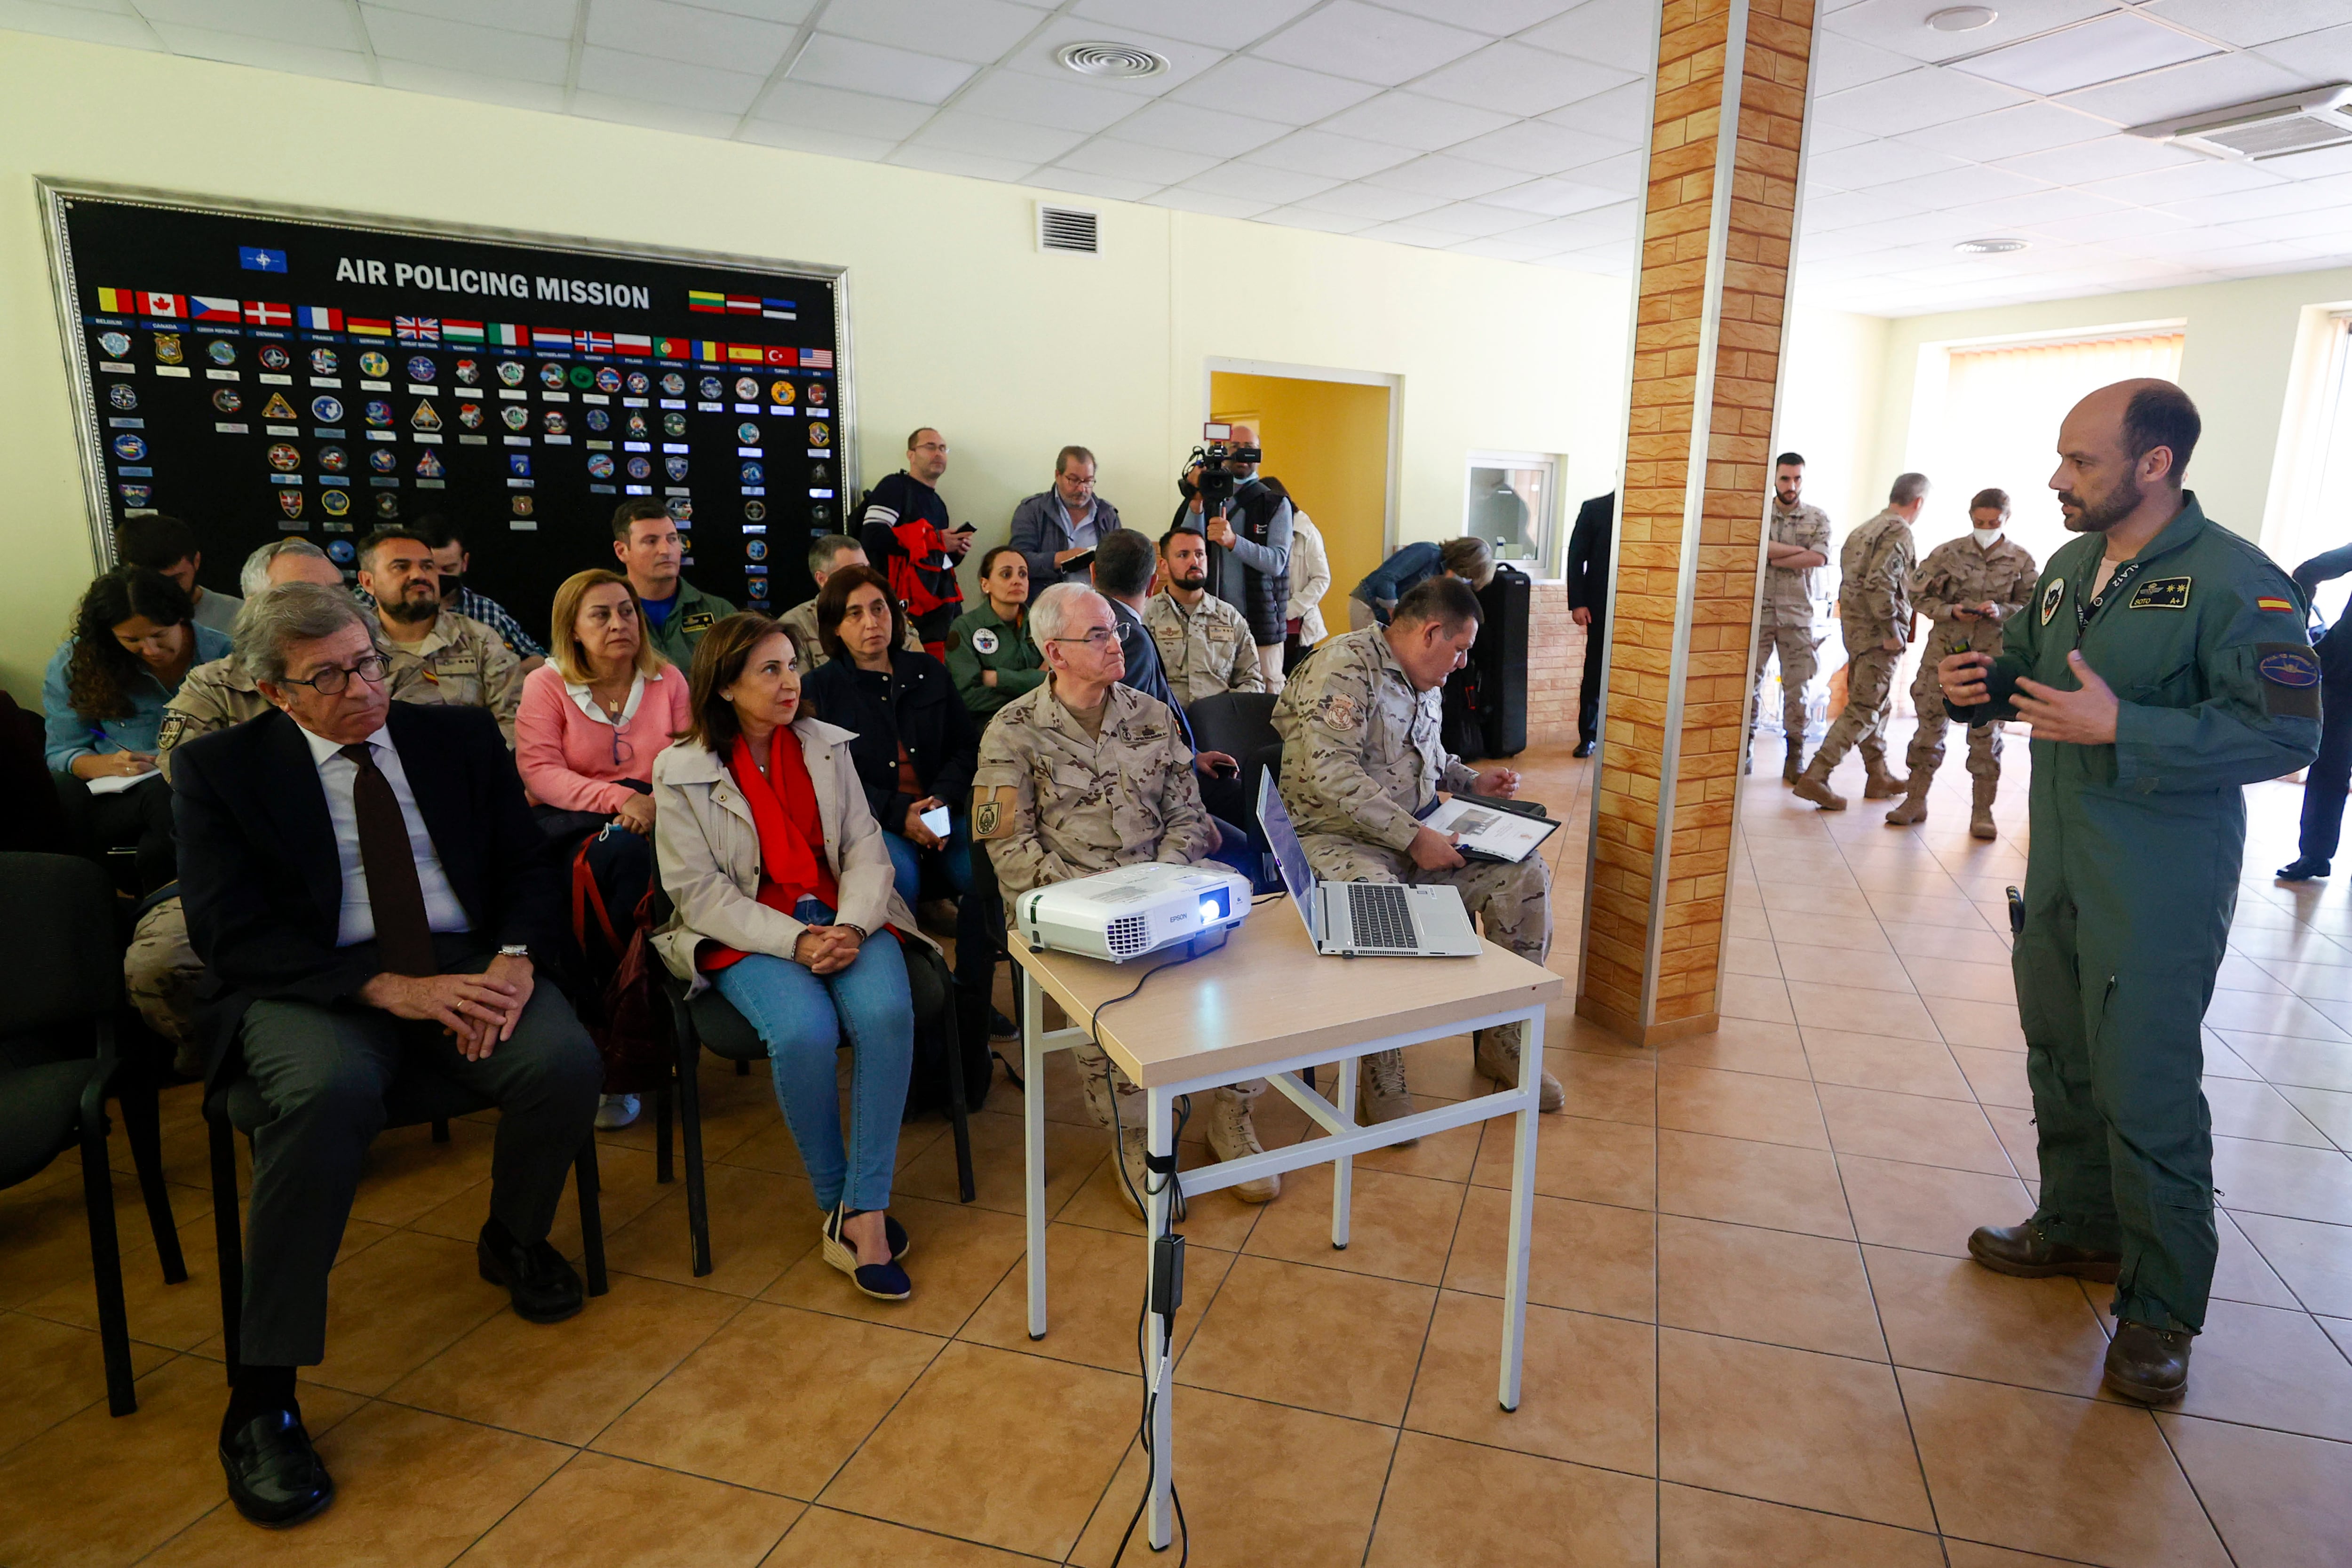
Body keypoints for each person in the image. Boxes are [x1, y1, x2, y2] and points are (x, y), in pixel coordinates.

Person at [173, 582, 600, 1528]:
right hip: (318, 980)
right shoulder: (221, 770)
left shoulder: (449, 737)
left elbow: (531, 864)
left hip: (464, 956)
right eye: (328, 676)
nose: (362, 686)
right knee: (324, 1095)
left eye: (366, 660)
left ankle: (513, 1237)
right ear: (275, 691)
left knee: (562, 1062)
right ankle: (262, 1396)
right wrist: (390, 990)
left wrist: (518, 960)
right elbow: (230, 932)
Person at [1939, 379, 2319, 1405]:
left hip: (2157, 879)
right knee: (2061, 1053)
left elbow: (2291, 732)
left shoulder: (2240, 582)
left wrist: (2129, 729)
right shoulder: (2069, 565)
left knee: (2143, 1085)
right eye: (2061, 458)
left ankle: (2159, 1307)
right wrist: (1970, 687)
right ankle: (2079, 1226)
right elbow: (2025, 668)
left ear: (2153, 465)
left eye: (2082, 462)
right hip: (2061, 859)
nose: (2057, 480)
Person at [971, 582, 1281, 1205]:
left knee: (1250, 982)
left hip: (1167, 888)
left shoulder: (1151, 715)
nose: (1118, 642)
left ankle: (1232, 1113)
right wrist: (1095, 908)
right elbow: (1006, 847)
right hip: (1072, 909)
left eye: (1116, 629)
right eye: (1098, 635)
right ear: (1054, 653)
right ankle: (1137, 1136)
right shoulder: (1011, 731)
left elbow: (1191, 816)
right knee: (1109, 1015)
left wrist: (1160, 887)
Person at [652, 613, 921, 1303]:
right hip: (747, 931)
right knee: (803, 1033)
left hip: (844, 916)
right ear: (725, 687)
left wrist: (853, 928)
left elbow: (865, 848)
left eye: (793, 666)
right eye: (770, 670)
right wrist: (795, 940)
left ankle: (862, 1210)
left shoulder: (827, 747)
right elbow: (698, 893)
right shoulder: (680, 770)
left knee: (888, 1013)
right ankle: (846, 1206)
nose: (790, 682)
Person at [1274, 576, 1562, 1132]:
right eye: (1459, 650)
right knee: (1379, 903)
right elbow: (1329, 771)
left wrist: (1467, 780)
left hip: (1418, 834)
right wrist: (1413, 839)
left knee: (1523, 875)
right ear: (1431, 632)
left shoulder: (1421, 675)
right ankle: (1381, 1070)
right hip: (1339, 840)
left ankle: (1504, 1042)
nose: (1460, 664)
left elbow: (1420, 755)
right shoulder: (1344, 667)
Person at [129, 543, 356, 1075]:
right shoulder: (214, 686)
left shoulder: (375, 671)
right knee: (156, 965)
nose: (326, 608)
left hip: (366, 855)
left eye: (335, 593)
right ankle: (230, 1059)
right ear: (254, 607)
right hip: (250, 869)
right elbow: (189, 790)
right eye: (300, 595)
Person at [515, 568, 692, 1130]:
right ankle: (616, 1032)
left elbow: (693, 758)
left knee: (662, 865)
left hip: (661, 811)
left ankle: (650, 1017)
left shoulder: (667, 679)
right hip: (572, 821)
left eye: (626, 611)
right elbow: (539, 772)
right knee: (623, 863)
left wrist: (653, 802)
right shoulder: (546, 685)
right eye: (601, 614)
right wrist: (619, 800)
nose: (619, 624)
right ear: (572, 629)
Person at [801, 565, 992, 1003]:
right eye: (854, 614)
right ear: (834, 627)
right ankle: (911, 997)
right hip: (876, 822)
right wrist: (899, 814)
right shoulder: (819, 690)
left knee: (991, 866)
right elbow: (827, 780)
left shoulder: (929, 670)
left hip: (944, 813)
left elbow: (967, 750)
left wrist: (939, 803)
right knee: (893, 877)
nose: (871, 623)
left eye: (879, 608)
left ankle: (970, 994)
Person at [43, 565, 230, 894]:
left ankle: (157, 906)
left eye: (160, 634)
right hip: (121, 795)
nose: (151, 650)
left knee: (158, 845)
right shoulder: (78, 662)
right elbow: (60, 752)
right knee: (164, 797)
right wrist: (107, 764)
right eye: (132, 640)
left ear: (181, 618)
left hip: (207, 790)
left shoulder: (224, 656)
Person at [1884, 489, 2037, 836]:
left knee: (1986, 737)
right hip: (1945, 655)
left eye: (1993, 522)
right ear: (1971, 517)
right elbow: (1917, 592)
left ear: (2006, 519)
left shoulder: (2021, 560)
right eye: (1979, 522)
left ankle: (1982, 812)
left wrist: (2003, 611)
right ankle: (1915, 800)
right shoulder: (1947, 553)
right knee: (1928, 731)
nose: (1986, 527)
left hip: (1992, 660)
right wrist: (1950, 610)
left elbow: (2033, 606)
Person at [1790, 473, 1927, 811]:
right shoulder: (1898, 531)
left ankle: (1877, 774)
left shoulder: (1864, 529)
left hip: (1855, 631)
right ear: (1918, 502)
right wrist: (1892, 631)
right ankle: (1817, 775)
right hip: (1879, 635)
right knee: (1865, 708)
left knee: (1876, 704)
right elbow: (1881, 584)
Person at [354, 525, 525, 740]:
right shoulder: (352, 647)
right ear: (368, 581)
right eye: (401, 567)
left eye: (428, 566)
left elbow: (514, 720)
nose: (419, 575)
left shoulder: (480, 640)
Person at [1175, 424, 1291, 692]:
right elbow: (1185, 548)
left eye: (1250, 449)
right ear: (1223, 454)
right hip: (1209, 625)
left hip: (1260, 627)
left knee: (1267, 702)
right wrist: (1196, 502)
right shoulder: (1206, 497)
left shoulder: (1274, 502)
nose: (1242, 455)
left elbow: (1276, 562)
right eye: (1235, 448)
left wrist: (1234, 542)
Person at [1751, 453, 1833, 781]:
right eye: (1785, 479)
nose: (1792, 485)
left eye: (1797, 478)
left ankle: (1794, 757)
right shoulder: (1759, 515)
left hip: (1798, 617)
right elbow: (1757, 548)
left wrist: (1774, 554)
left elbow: (1820, 557)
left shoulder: (1817, 517)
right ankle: (1743, 751)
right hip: (1758, 613)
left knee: (1798, 689)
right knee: (1748, 687)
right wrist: (1797, 553)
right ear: (1774, 478)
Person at [2275, 540, 2352, 883]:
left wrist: (2299, 636)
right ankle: (2315, 855)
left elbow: (2308, 573)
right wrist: (2299, 637)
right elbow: (2306, 573)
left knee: (2330, 769)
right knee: (2329, 768)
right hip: (2343, 671)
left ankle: (2315, 854)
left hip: (2343, 668)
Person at [860, 427, 972, 653]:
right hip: (898, 609)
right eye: (930, 447)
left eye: (943, 448)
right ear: (911, 455)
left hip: (935, 614)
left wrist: (955, 551)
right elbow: (872, 536)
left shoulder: (938, 503)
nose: (938, 453)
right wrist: (936, 541)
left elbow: (933, 562)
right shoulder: (894, 487)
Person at [1146, 526, 1267, 704]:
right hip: (1165, 721)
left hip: (1220, 722)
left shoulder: (1229, 617)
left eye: (1199, 554)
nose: (1194, 561)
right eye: (1183, 555)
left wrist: (1230, 712)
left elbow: (1251, 680)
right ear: (1164, 566)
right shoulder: (1147, 616)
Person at [611, 500, 734, 669]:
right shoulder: (603, 615)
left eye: (672, 539)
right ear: (622, 551)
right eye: (651, 541)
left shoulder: (720, 612)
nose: (666, 550)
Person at [778, 534, 921, 676]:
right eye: (852, 573)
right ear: (822, 579)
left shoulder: (886, 612)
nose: (864, 577)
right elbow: (798, 691)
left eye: (867, 569)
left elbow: (919, 667)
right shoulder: (795, 625)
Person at [427, 518, 548, 671]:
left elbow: (539, 659)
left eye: (449, 568)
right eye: (430, 568)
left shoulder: (487, 612)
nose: (439, 577)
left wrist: (499, 676)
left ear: (465, 562)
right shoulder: (399, 614)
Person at [1008, 445, 1127, 590]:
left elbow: (1120, 565)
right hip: (1046, 602)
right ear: (1058, 476)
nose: (1082, 489)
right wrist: (1060, 559)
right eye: (1074, 480)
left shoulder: (1107, 514)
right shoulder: (1032, 510)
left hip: (1096, 602)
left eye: (1088, 481)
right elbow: (1016, 562)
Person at [947, 545, 1045, 720]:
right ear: (986, 585)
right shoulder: (965, 628)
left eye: (1023, 574)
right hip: (992, 726)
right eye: (1006, 575)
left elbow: (1062, 681)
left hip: (1045, 723)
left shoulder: (1044, 624)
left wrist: (999, 678)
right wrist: (1036, 688)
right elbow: (968, 697)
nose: (1017, 581)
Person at [116, 513, 242, 636]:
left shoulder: (240, 615)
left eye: (175, 579)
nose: (164, 589)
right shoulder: (116, 620)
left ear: (196, 561)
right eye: (152, 581)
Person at [1347, 536, 1494, 630]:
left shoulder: (1444, 579)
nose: (1465, 580)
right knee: (1370, 662)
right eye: (1466, 575)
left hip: (1387, 618)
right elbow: (1386, 580)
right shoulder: (1428, 552)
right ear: (1463, 561)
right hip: (1369, 606)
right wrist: (1396, 616)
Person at [1564, 491, 1615, 759]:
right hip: (1600, 606)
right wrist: (1578, 603)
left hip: (1645, 608)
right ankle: (1589, 736)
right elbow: (1576, 557)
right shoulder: (1595, 509)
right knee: (1596, 670)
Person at [1273, 478, 1331, 671]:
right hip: (1267, 624)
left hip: (1299, 629)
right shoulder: (1263, 529)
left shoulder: (1307, 532)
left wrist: (1290, 609)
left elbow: (1322, 579)